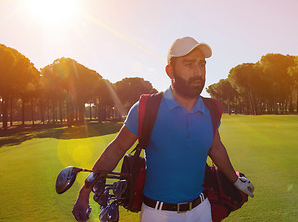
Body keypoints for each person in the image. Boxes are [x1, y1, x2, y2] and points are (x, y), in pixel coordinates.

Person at [72, 36, 254, 222]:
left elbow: (216, 148)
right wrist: (85, 191)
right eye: (189, 64)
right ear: (170, 71)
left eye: (202, 64)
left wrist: (236, 181)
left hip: (201, 210)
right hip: (157, 214)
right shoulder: (147, 107)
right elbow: (116, 149)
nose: (198, 71)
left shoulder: (212, 109)